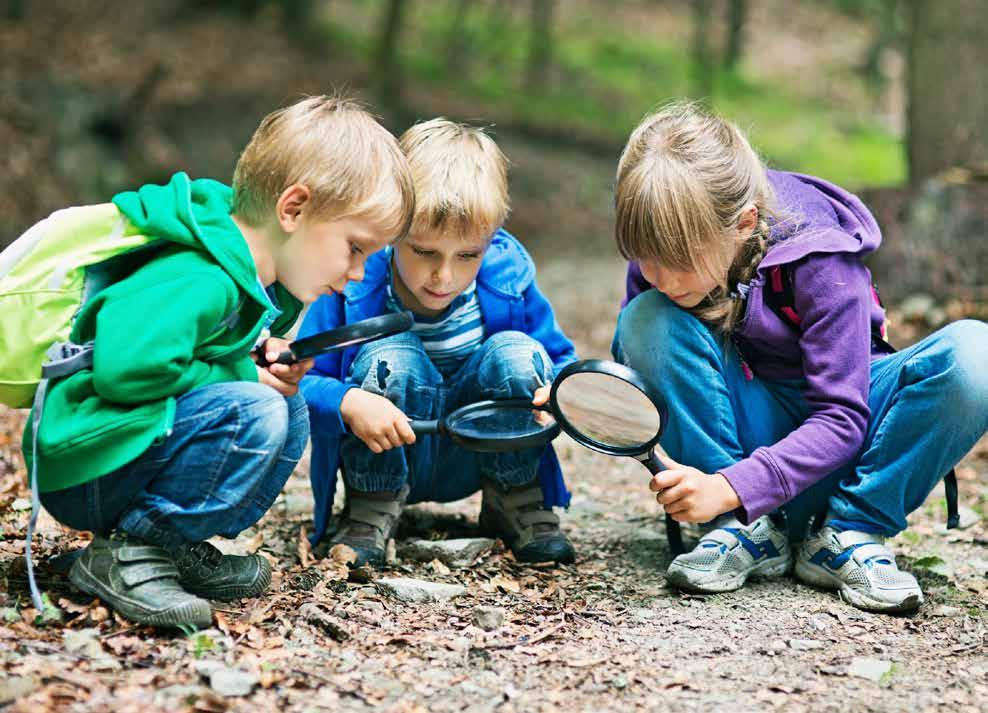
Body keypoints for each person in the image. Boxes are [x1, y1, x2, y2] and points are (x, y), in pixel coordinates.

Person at [22, 95, 414, 627]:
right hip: (85, 462)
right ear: (293, 209)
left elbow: (196, 358)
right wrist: (240, 374)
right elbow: (126, 371)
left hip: (120, 449)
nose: (359, 273)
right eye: (355, 248)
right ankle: (127, 552)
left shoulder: (238, 277)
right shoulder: (200, 275)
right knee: (256, 410)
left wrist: (254, 359)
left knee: (286, 407)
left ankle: (165, 546)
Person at [610, 102, 988, 613]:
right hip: (741, 445)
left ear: (744, 223)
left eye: (676, 263)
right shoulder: (662, 267)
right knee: (646, 319)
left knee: (975, 353)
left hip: (844, 450)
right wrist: (586, 402)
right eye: (643, 257)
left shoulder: (820, 260)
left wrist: (730, 486)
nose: (657, 276)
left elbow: (841, 418)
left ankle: (849, 533)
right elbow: (653, 374)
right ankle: (741, 533)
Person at [301, 118, 578, 567]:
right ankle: (372, 506)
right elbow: (304, 381)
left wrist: (560, 392)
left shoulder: (508, 280)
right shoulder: (354, 284)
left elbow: (561, 360)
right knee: (392, 353)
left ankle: (514, 497)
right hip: (389, 447)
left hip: (477, 449)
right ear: (392, 232)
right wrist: (348, 400)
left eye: (467, 255)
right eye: (424, 251)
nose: (444, 276)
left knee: (517, 352)